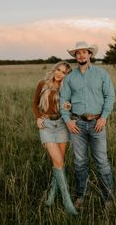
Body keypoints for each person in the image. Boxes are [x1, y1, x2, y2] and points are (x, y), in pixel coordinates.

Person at [60, 41, 116, 209]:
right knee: (80, 162)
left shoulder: (101, 74)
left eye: (84, 52)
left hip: (97, 123)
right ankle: (81, 196)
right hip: (77, 124)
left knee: (102, 161)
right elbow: (63, 100)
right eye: (78, 53)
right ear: (75, 57)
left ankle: (108, 199)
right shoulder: (70, 78)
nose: (81, 55)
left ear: (90, 55)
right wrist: (67, 120)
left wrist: (104, 117)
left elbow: (110, 97)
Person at [33, 61, 77, 215]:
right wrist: (38, 118)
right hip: (46, 126)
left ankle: (52, 194)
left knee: (59, 163)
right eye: (58, 70)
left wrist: (69, 107)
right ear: (54, 70)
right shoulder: (42, 84)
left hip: (62, 125)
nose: (59, 73)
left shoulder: (67, 88)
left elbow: (71, 106)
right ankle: (67, 200)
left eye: (64, 72)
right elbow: (34, 103)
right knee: (58, 161)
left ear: (67, 75)